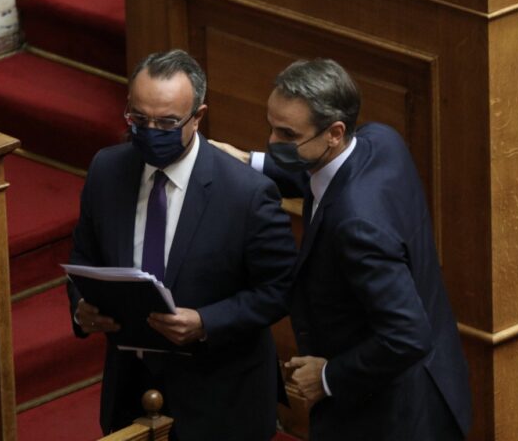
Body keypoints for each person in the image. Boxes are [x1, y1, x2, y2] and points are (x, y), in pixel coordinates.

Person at [211, 58, 472, 440]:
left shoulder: (356, 226)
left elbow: (407, 335)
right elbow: (317, 178)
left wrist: (328, 376)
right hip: (429, 382)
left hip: (392, 417)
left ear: (334, 132)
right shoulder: (380, 141)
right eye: (272, 127)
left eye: (287, 134)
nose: (273, 141)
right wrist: (250, 162)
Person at [67, 49, 297, 440]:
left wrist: (206, 322)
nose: (150, 131)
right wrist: (81, 309)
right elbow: (84, 259)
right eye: (139, 119)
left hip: (221, 398)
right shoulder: (107, 170)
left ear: (198, 116)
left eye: (167, 122)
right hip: (131, 389)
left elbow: (280, 290)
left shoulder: (247, 194)